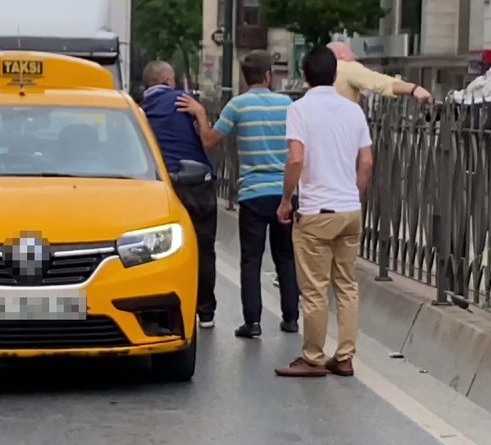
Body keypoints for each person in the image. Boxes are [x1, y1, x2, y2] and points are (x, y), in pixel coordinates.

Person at [177, 50, 300, 338]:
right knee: (285, 256)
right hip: (284, 192)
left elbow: (209, 140)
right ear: (268, 76)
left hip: (252, 194)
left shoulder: (237, 106)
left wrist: (199, 114)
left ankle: (252, 322)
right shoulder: (288, 104)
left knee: (251, 260)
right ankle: (291, 318)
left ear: (246, 78)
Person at [274, 47, 374, 378]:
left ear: (304, 75)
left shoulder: (299, 109)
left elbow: (296, 159)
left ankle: (313, 357)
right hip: (349, 210)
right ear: (335, 74)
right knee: (346, 286)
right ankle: (344, 357)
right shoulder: (353, 111)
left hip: (316, 211)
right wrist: (353, 196)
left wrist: (287, 199)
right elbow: (367, 162)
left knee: (315, 288)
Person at [140, 61, 218, 329]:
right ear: (167, 79)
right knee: (204, 247)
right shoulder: (184, 101)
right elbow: (205, 137)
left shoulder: (137, 110)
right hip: (196, 181)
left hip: (158, 187)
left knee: (156, 250)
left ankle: (161, 307)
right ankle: (205, 311)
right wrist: (200, 113)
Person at [326, 41, 432, 104]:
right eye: (352, 51)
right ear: (341, 54)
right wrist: (413, 89)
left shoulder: (320, 70)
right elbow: (379, 82)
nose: (356, 57)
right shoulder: (346, 67)